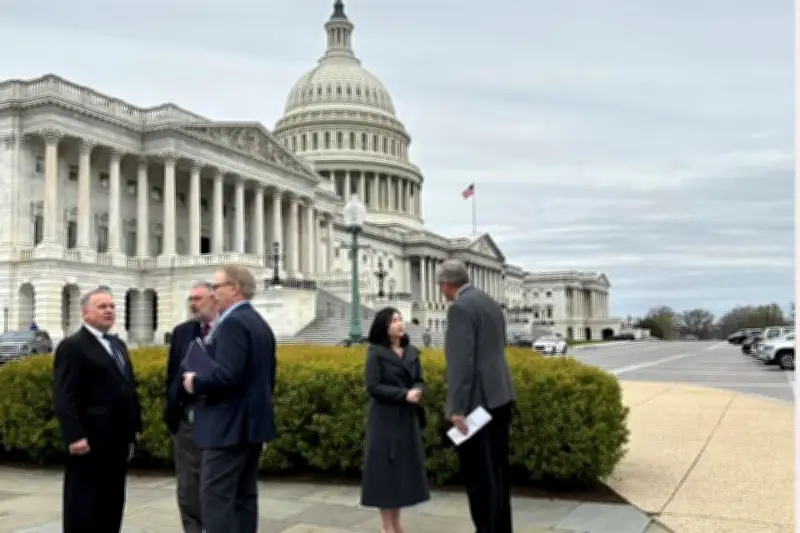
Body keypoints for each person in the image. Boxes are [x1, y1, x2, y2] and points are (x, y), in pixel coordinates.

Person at [182, 265, 277, 533]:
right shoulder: (258, 322)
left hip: (227, 427)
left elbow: (228, 375)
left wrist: (195, 382)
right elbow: (265, 376)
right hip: (250, 425)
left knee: (217, 498)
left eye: (216, 287)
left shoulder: (233, 323)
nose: (213, 294)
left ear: (234, 288)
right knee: (244, 496)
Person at [52, 287, 142, 533]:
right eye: (102, 307)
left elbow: (127, 388)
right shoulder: (73, 346)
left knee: (112, 502)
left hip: (117, 441)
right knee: (84, 503)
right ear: (85, 313)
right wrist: (75, 436)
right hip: (89, 441)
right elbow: (64, 396)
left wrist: (135, 427)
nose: (109, 311)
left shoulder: (118, 345)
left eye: (112, 306)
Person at [436, 259, 516, 533]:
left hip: (478, 405)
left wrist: (457, 408)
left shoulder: (459, 308)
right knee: (498, 472)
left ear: (446, 285)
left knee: (480, 477)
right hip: (501, 395)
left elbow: (461, 364)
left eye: (440, 286)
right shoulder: (490, 303)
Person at [361, 307, 430, 533]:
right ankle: (387, 527)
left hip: (406, 420)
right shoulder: (376, 353)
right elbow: (373, 386)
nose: (400, 324)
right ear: (384, 326)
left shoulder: (412, 352)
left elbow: (419, 379)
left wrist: (418, 390)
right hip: (384, 421)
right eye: (394, 321)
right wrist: (403, 395)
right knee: (384, 474)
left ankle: (396, 524)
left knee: (400, 474)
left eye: (401, 319)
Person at [163, 281, 218, 533]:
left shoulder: (228, 330)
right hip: (187, 419)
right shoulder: (182, 332)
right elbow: (172, 373)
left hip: (218, 419)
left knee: (215, 483)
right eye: (191, 299)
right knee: (187, 485)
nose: (194, 304)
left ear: (214, 299)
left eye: (199, 298)